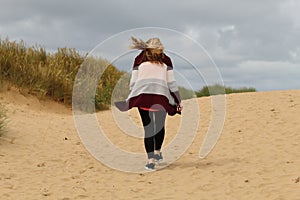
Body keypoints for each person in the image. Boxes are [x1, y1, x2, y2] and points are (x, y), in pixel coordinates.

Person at [116, 37, 182, 170]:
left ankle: (150, 161)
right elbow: (171, 83)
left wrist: (133, 94)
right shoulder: (166, 60)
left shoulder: (139, 59)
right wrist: (177, 99)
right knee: (159, 126)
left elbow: (133, 82)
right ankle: (157, 152)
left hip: (142, 97)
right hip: (160, 97)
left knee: (148, 128)